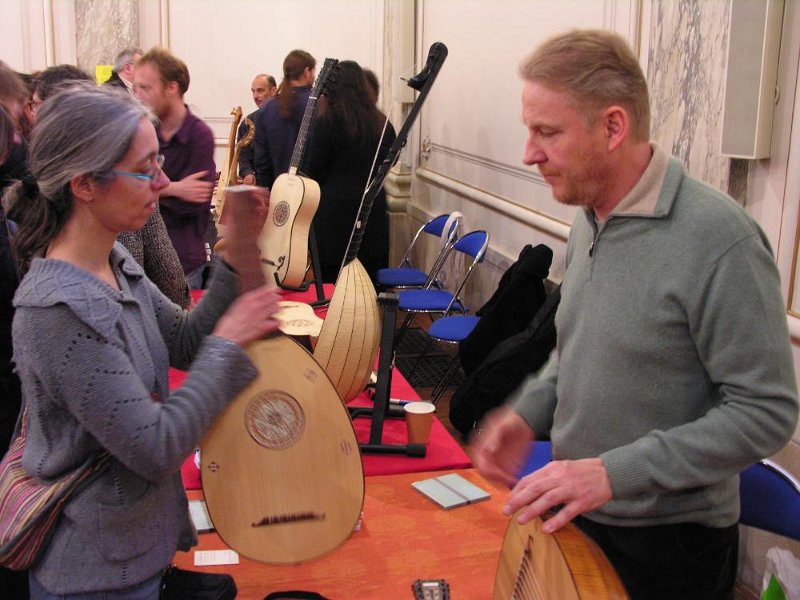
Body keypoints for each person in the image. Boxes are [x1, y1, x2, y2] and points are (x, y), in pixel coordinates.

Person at [472, 29, 798, 600]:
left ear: (613, 127)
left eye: (547, 132)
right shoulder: (590, 216)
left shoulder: (719, 240)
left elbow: (765, 412)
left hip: (670, 549)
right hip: (577, 512)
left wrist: (611, 473)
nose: (529, 152)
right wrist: (525, 413)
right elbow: (581, 346)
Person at [5, 83, 281, 598]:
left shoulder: (115, 260)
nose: (162, 183)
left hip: (130, 550)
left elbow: (183, 340)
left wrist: (237, 246)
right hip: (95, 573)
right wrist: (230, 341)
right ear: (85, 184)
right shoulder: (57, 311)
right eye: (145, 169)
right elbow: (154, 446)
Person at [305, 60, 396, 284]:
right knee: (368, 283)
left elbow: (313, 169)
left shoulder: (327, 121)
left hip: (333, 215)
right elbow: (389, 164)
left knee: (333, 285)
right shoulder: (382, 124)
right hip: (371, 211)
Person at [134, 47, 216, 290]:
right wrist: (175, 188)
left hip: (182, 262)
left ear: (172, 87)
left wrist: (149, 191)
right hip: (142, 259)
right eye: (135, 87)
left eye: (145, 88)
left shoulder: (199, 136)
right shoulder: (143, 131)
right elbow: (126, 191)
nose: (137, 96)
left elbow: (193, 202)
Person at [253, 50, 315, 189]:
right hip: (312, 194)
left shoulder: (266, 110)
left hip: (278, 192)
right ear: (307, 72)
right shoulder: (320, 105)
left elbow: (261, 161)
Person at [238, 73, 277, 186]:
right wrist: (247, 172)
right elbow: (243, 155)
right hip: (258, 185)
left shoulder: (284, 120)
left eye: (260, 91)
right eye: (253, 91)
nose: (255, 96)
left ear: (273, 91)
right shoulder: (247, 123)